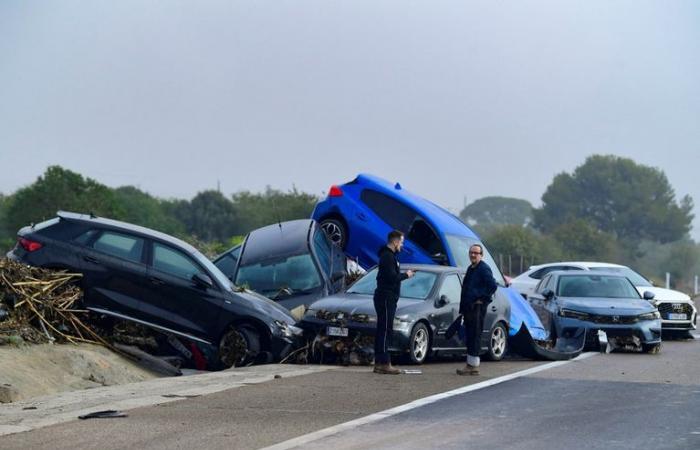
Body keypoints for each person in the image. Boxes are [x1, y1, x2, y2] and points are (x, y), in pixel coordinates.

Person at [373, 230, 415, 374]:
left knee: (382, 329)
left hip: (387, 297)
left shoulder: (389, 256)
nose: (402, 246)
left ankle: (379, 362)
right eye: (401, 242)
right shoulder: (388, 257)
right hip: (385, 297)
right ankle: (384, 362)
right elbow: (392, 277)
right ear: (395, 241)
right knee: (385, 329)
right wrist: (406, 275)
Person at [457, 243, 497, 376]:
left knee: (475, 335)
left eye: (476, 253)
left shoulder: (483, 269)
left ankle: (473, 366)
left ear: (481, 255)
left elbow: (492, 286)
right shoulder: (471, 268)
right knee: (470, 335)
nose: (473, 255)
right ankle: (471, 364)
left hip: (477, 308)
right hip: (469, 308)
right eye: (471, 252)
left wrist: (482, 299)